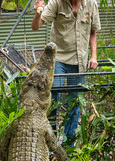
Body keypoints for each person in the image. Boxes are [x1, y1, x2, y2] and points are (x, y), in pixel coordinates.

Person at [31, 0, 100, 145]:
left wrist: (94, 56)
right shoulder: (56, 3)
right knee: (53, 97)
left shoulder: (91, 4)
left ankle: (68, 143)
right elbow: (35, 27)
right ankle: (50, 139)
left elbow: (92, 31)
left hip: (80, 59)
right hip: (58, 59)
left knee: (75, 101)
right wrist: (38, 11)